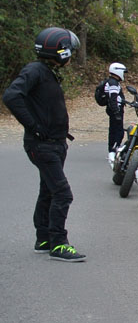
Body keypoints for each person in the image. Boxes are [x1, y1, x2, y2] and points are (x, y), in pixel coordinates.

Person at [2, 27, 86, 262]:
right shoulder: (35, 70)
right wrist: (33, 126)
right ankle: (58, 244)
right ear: (60, 52)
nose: (71, 56)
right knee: (63, 194)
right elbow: (11, 96)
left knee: (48, 191)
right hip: (43, 145)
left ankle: (43, 239)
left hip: (54, 144)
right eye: (69, 51)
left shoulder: (47, 72)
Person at [95, 62, 127, 165]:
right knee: (118, 131)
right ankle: (113, 151)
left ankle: (112, 150)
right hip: (115, 110)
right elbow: (113, 98)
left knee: (114, 130)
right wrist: (116, 112)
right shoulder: (113, 83)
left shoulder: (111, 82)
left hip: (113, 109)